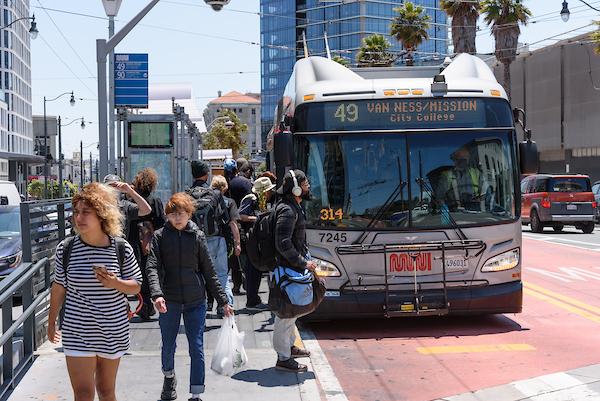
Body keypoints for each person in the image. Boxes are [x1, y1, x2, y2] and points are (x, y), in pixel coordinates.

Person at [47, 182, 142, 401]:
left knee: (106, 392)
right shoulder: (66, 248)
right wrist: (52, 322)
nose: (78, 218)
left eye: (86, 213)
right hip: (77, 331)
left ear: (101, 215)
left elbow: (136, 284)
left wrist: (115, 283)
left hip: (112, 330)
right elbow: (59, 287)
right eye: (76, 212)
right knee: (82, 394)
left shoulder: (120, 248)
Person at [146, 192, 234, 401]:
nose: (178, 217)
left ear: (189, 214)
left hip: (196, 300)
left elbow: (209, 271)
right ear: (167, 215)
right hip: (169, 300)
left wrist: (223, 301)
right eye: (174, 213)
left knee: (197, 346)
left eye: (182, 213)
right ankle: (169, 377)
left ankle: (196, 393)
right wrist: (157, 295)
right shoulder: (159, 237)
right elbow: (152, 267)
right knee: (168, 344)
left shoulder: (197, 236)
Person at [272, 169, 315, 373]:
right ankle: (283, 357)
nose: (308, 186)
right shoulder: (287, 210)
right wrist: (302, 263)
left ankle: (289, 346)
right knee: (286, 313)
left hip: (293, 267)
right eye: (305, 182)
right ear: (296, 187)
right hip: (288, 269)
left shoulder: (293, 206)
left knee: (294, 309)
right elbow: (283, 243)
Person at [188, 161, 234, 312]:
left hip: (195, 241)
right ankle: (225, 306)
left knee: (199, 274)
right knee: (221, 274)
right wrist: (231, 242)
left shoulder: (187, 194)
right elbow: (225, 219)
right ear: (206, 175)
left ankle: (201, 306)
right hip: (216, 239)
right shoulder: (215, 194)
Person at [131, 168, 166, 320]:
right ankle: (154, 301)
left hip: (134, 241)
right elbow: (160, 222)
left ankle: (144, 306)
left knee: (139, 272)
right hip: (151, 242)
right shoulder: (155, 200)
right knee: (152, 270)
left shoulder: (132, 200)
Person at [239, 176, 276, 310]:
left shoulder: (268, 200)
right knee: (252, 269)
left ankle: (254, 299)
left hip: (261, 240)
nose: (270, 193)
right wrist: (258, 218)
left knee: (257, 268)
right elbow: (241, 215)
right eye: (268, 190)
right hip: (252, 240)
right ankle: (252, 301)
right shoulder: (250, 199)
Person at [209, 175, 242, 308]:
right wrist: (237, 242)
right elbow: (233, 224)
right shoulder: (229, 202)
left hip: (205, 240)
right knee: (222, 274)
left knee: (207, 273)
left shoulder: (207, 201)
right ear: (225, 187)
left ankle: (208, 302)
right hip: (222, 241)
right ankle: (226, 305)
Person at [103, 174, 152, 239]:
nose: (113, 190)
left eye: (116, 187)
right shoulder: (98, 205)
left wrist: (130, 191)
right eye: (109, 187)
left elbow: (147, 210)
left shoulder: (125, 205)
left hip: (120, 246)